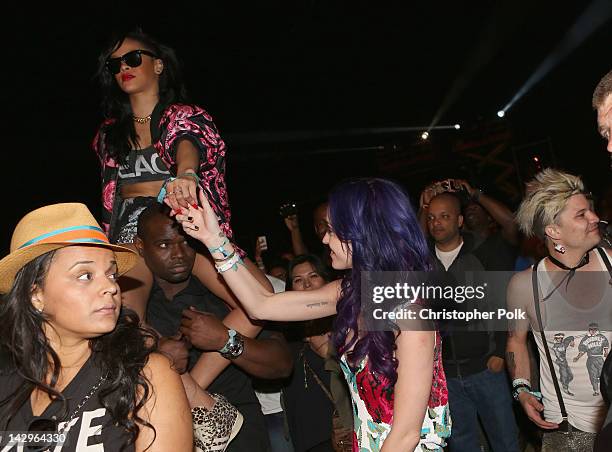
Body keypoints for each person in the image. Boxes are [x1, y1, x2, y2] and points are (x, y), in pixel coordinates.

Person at [175, 178, 452, 451]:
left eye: (333, 230)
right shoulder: (350, 291)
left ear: (362, 234)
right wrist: (214, 240)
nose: (324, 238)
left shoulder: (411, 313)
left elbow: (407, 435)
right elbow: (262, 305)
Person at [92, 28, 271, 320]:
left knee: (259, 299)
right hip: (131, 232)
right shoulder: (108, 134)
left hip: (182, 225)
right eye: (115, 64)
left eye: (133, 58)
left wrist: (186, 174)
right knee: (124, 318)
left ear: (158, 65)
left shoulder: (185, 116)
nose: (124, 67)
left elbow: (187, 140)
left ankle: (202, 367)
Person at [0, 203, 192, 451]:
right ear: (35, 295)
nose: (112, 287)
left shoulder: (146, 376)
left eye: (111, 274)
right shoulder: (7, 384)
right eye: (85, 276)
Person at [135, 203, 293, 451]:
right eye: (164, 245)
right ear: (140, 247)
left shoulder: (228, 294)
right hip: (164, 433)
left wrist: (225, 339)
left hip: (241, 434)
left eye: (185, 242)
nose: (178, 254)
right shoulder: (129, 307)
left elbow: (282, 365)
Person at [506, 169, 612, 451]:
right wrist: (521, 389)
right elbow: (515, 340)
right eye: (581, 215)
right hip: (568, 427)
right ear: (553, 231)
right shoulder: (524, 286)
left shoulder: (610, 262)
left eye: (590, 210)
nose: (594, 218)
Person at [425, 192, 519, 452]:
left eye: (444, 216)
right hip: (446, 375)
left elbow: (502, 304)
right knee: (461, 444)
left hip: (486, 368)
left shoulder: (483, 251)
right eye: (431, 217)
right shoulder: (421, 262)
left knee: (505, 441)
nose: (437, 223)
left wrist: (500, 351)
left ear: (459, 220)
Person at [282, 254, 353, 452]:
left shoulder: (348, 325)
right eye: (298, 280)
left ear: (327, 281)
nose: (306, 284)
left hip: (341, 435)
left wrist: (328, 352)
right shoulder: (287, 332)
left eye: (313, 276)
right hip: (306, 434)